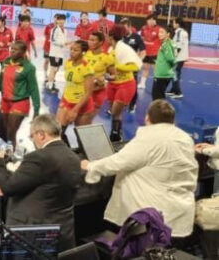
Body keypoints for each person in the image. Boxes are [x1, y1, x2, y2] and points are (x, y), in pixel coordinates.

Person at [82, 100, 197, 238]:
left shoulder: (150, 138)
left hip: (154, 219)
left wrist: (90, 166)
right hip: (180, 213)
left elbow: (118, 163)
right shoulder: (185, 138)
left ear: (147, 118)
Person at [0, 114, 81, 251]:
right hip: (63, 232)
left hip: (33, 237)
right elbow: (48, 186)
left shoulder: (39, 157)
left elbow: (9, 187)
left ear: (41, 135)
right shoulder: (73, 158)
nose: (32, 140)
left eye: (32, 136)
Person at [0, 41, 41, 144]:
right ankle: (8, 153)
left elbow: (34, 89)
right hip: (5, 102)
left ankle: (10, 158)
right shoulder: (6, 62)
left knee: (10, 133)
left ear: (23, 52)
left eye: (15, 49)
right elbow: (0, 82)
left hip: (20, 103)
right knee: (2, 133)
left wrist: (36, 110)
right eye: (12, 49)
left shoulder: (29, 68)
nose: (12, 51)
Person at [57, 41, 95, 139]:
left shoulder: (87, 68)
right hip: (67, 101)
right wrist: (62, 100)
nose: (72, 52)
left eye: (76, 50)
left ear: (83, 52)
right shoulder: (68, 63)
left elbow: (88, 92)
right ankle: (64, 152)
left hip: (81, 105)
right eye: (71, 49)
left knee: (82, 137)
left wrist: (75, 110)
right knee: (58, 133)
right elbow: (68, 84)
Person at [84, 32, 116, 122]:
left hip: (98, 92)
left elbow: (114, 75)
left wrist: (105, 78)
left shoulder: (107, 57)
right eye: (89, 39)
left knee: (88, 119)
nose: (90, 42)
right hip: (84, 91)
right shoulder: (85, 54)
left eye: (93, 40)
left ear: (101, 42)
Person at [121, 18, 146, 113]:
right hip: (122, 65)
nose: (123, 30)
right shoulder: (121, 37)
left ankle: (132, 104)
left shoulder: (136, 37)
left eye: (124, 28)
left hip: (132, 66)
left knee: (133, 86)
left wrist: (138, 62)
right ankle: (123, 102)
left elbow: (143, 52)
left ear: (129, 26)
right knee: (121, 85)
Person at [151, 26, 177, 101]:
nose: (159, 34)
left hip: (161, 75)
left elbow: (171, 59)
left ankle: (159, 112)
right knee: (160, 96)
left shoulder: (165, 45)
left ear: (168, 34)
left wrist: (169, 66)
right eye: (159, 32)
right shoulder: (171, 42)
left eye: (162, 32)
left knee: (157, 97)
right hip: (166, 74)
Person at [46, 14, 67, 93]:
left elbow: (64, 41)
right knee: (53, 69)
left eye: (63, 19)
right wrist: (62, 43)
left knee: (57, 69)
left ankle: (50, 83)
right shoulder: (55, 29)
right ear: (57, 21)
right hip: (54, 53)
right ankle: (50, 86)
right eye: (59, 19)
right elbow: (52, 40)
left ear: (65, 21)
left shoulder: (65, 30)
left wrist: (66, 43)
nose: (61, 21)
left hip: (60, 54)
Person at [168, 18, 189, 99]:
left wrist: (174, 56)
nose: (173, 24)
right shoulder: (180, 32)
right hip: (180, 57)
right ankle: (173, 90)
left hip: (179, 58)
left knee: (175, 74)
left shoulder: (180, 32)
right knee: (175, 74)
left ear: (177, 24)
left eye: (174, 23)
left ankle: (178, 92)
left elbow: (179, 46)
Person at [139, 15, 160, 90]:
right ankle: (142, 83)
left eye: (152, 19)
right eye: (149, 19)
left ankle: (158, 85)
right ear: (146, 20)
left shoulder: (158, 29)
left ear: (155, 21)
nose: (151, 21)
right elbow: (141, 38)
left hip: (154, 53)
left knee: (156, 71)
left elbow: (161, 40)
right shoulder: (143, 28)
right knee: (145, 68)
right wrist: (140, 50)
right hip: (146, 52)